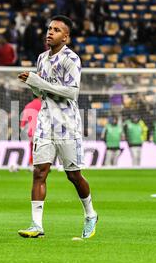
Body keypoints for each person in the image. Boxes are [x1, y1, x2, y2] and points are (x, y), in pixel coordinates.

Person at [17, 15, 98, 239]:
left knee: (73, 175)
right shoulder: (42, 58)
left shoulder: (71, 59)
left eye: (56, 30)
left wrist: (38, 82)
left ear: (66, 37)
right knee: (39, 172)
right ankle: (36, 225)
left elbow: (72, 92)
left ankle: (91, 214)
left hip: (67, 125)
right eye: (49, 28)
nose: (50, 32)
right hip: (44, 123)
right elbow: (41, 93)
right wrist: (32, 84)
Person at [20, 95, 42, 167]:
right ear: (39, 96)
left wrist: (22, 127)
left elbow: (23, 121)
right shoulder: (43, 105)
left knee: (32, 147)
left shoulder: (28, 105)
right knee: (42, 147)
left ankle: (31, 164)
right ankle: (42, 164)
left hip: (31, 131)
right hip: (42, 131)